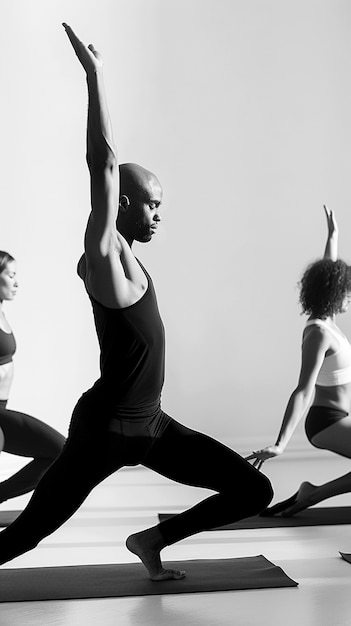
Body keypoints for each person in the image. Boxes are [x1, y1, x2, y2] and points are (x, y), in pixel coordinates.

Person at [0, 24, 272, 579]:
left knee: (254, 489)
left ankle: (151, 540)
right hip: (105, 431)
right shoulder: (104, 256)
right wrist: (95, 78)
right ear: (121, 203)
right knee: (25, 535)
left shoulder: (128, 255)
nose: (159, 214)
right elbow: (101, 163)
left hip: (151, 426)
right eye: (151, 204)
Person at [247, 206, 351, 517]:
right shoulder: (318, 333)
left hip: (341, 417)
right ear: (334, 295)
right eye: (346, 293)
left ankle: (311, 493)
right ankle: (312, 495)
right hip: (326, 422)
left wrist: (332, 237)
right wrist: (280, 444)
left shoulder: (329, 320)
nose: (350, 298)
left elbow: (328, 272)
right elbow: (303, 391)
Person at [0, 251, 65, 503]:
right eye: (11, 275)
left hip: (2, 410)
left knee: (59, 451)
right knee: (60, 451)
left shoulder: (2, 311)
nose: (16, 283)